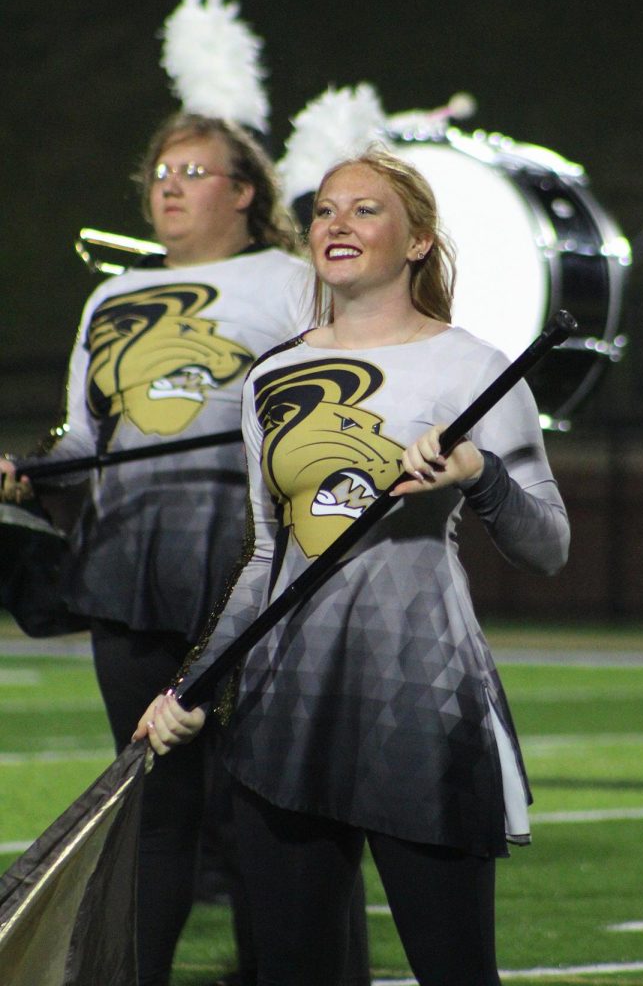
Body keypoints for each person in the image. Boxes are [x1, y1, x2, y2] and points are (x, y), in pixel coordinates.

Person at [134, 147, 570, 986]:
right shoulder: (274, 377)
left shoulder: (475, 367)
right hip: (285, 707)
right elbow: (267, 556)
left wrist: (480, 476)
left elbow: (546, 546)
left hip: (424, 700)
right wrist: (189, 686)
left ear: (417, 241)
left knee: (456, 971)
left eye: (365, 210)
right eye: (326, 210)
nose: (337, 223)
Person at [0, 113, 370, 986]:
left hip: (248, 566)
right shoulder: (109, 299)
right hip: (127, 569)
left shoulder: (288, 280)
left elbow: (331, 403)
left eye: (194, 170)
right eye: (161, 171)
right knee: (153, 804)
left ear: (244, 193)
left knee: (262, 807)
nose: (168, 184)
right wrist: (27, 471)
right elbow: (88, 440)